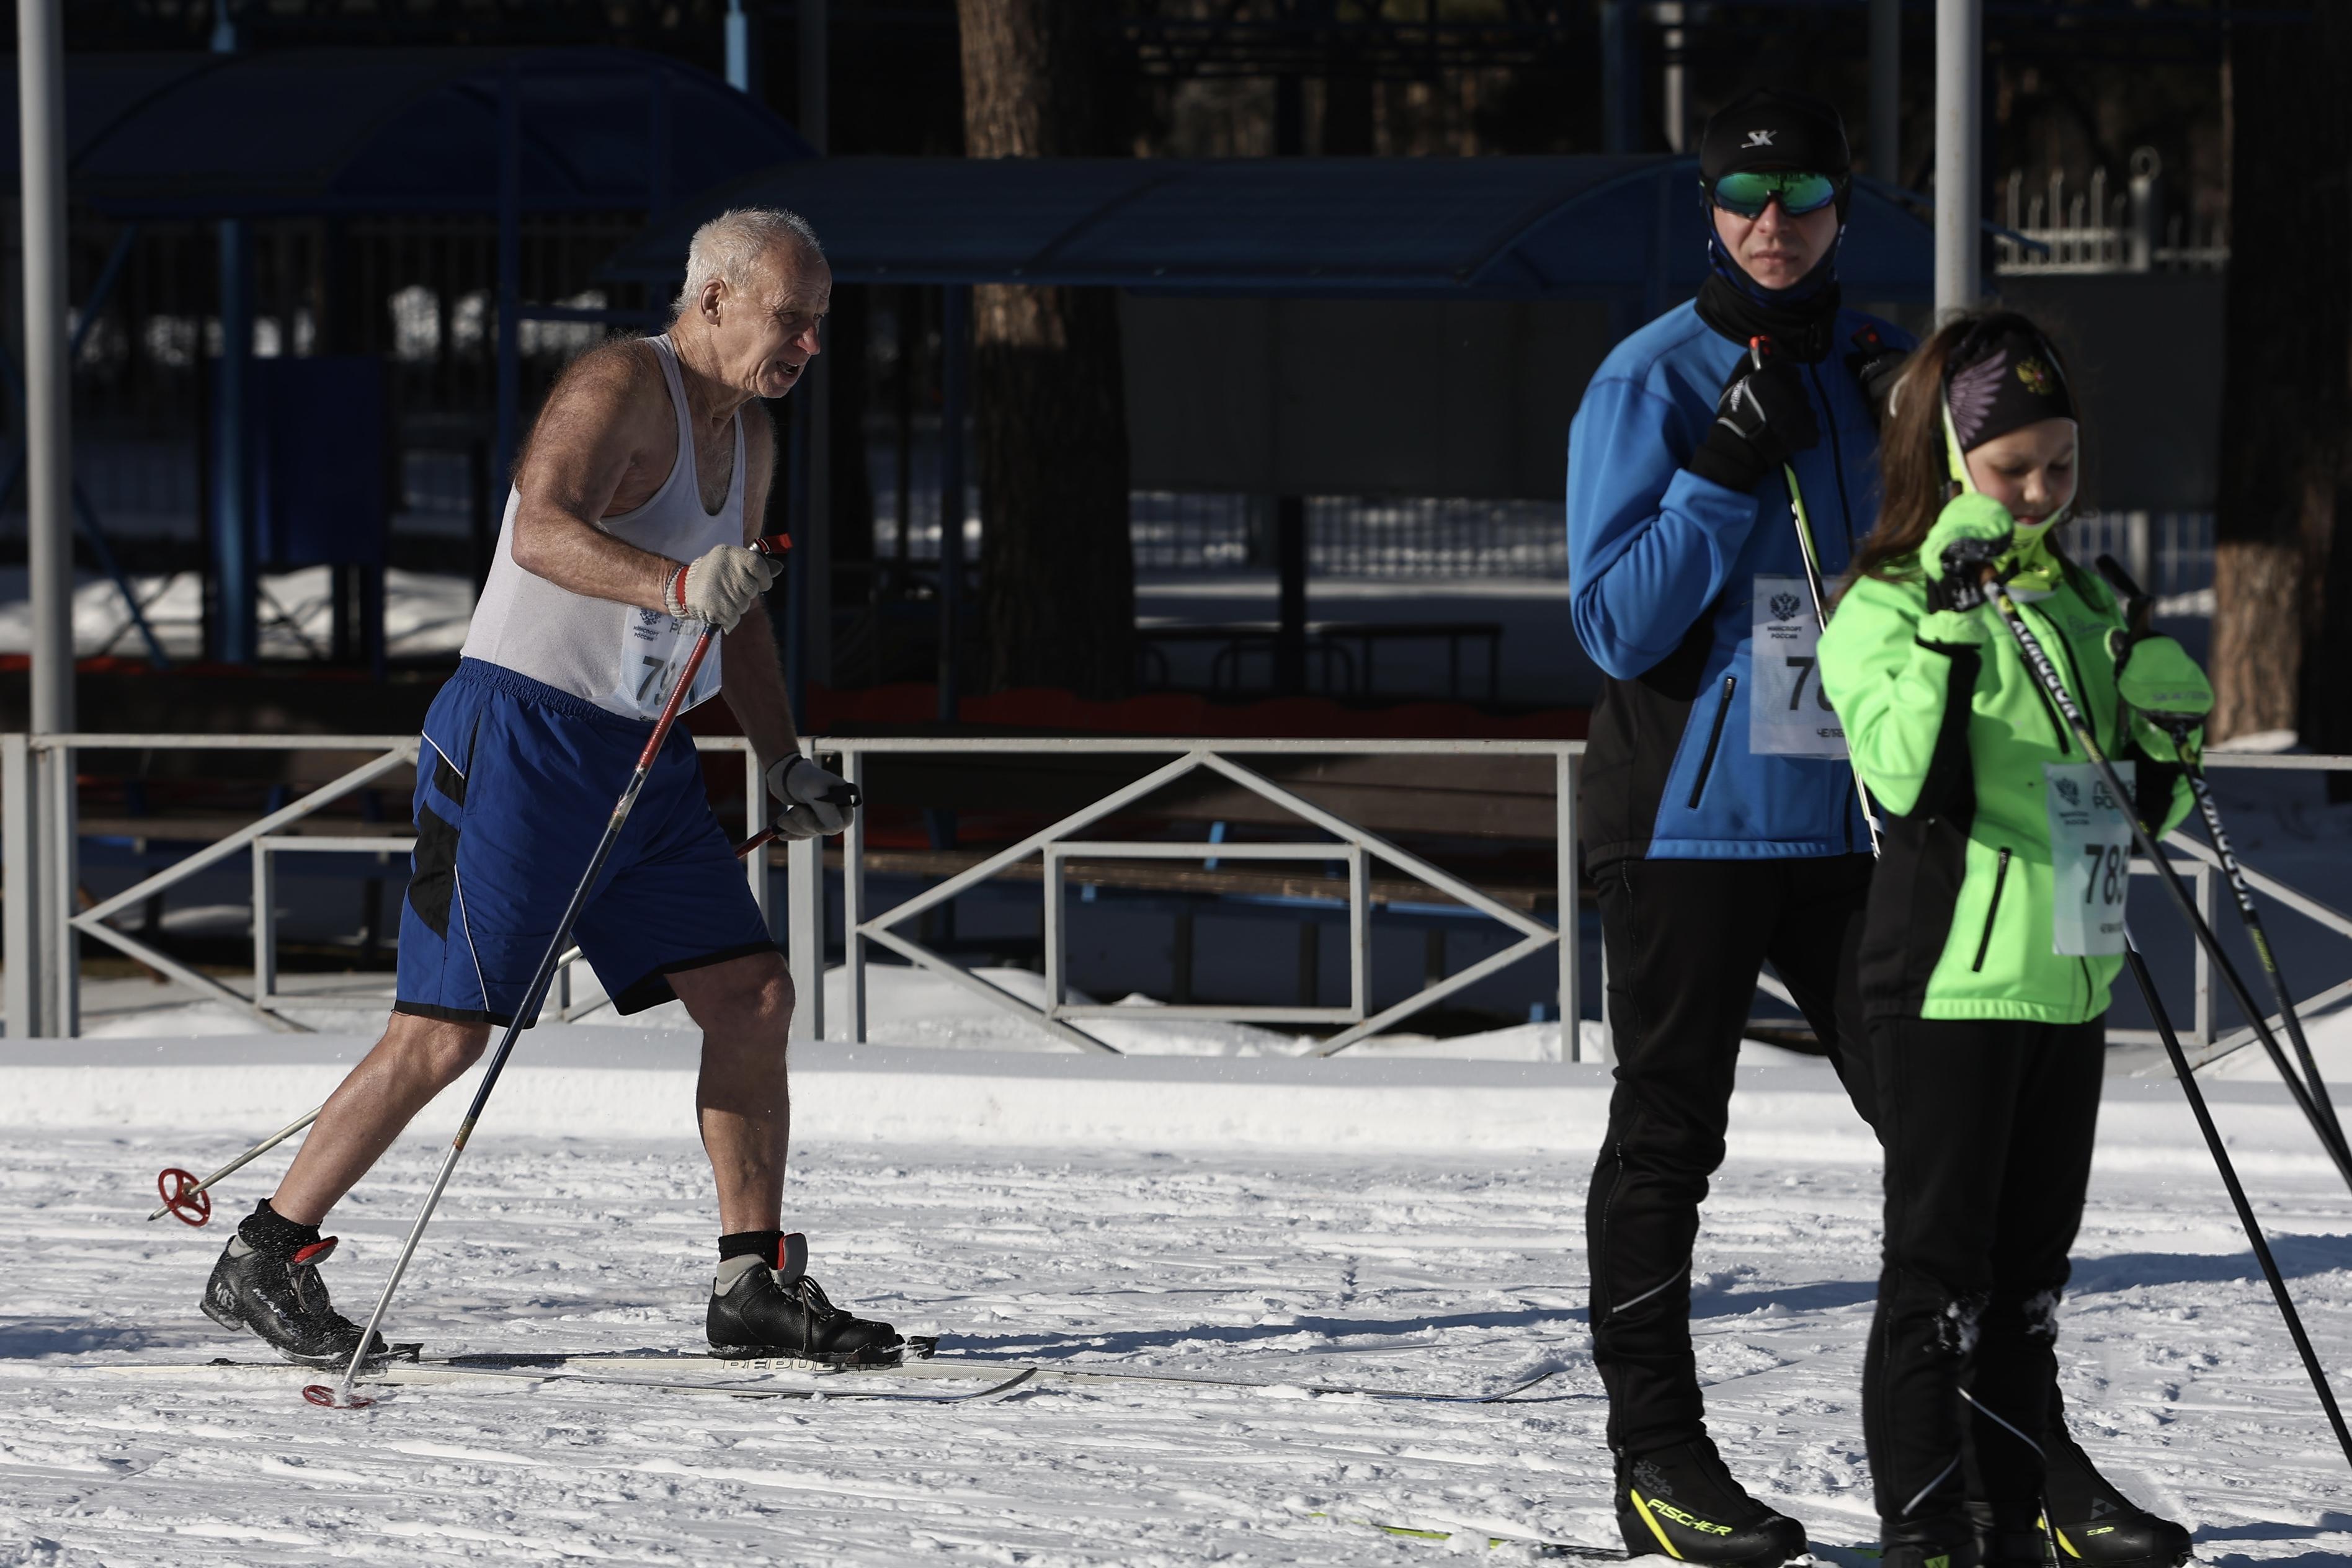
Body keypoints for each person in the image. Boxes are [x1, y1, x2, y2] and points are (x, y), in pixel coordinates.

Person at [1567, 91, 2186, 1567]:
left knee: (1954, 1145)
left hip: (1855, 828)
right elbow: (1610, 623)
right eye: (1742, 195)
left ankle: (2024, 1457)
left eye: (1800, 195)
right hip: (1688, 826)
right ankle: (1658, 1457)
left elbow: (1945, 556)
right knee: (1670, 1141)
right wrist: (1720, 474)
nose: (1770, 223)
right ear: (1708, 205)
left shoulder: (1883, 375)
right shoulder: (1647, 378)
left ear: (1846, 208)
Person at [200, 207, 899, 1371]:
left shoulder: (753, 440)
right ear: (715, 298)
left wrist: (781, 756)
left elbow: (740, 616)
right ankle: (268, 1249)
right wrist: (678, 584)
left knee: (752, 996)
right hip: (520, 737)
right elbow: (540, 529)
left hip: (648, 755)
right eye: (793, 318)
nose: (809, 346)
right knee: (443, 1034)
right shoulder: (624, 383)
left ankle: (750, 1278)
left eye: (820, 324)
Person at [1817, 311, 2203, 1568]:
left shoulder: (2089, 597)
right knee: (1937, 1287)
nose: (2040, 494)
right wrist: (1944, 615)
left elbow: (2128, 808)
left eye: (2061, 465)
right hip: (1951, 984)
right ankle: (1927, 1533)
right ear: (1947, 459)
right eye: (2012, 469)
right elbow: (1905, 778)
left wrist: (2167, 738)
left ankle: (2016, 1516)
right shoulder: (1882, 601)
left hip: (2070, 974)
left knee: (2030, 1292)